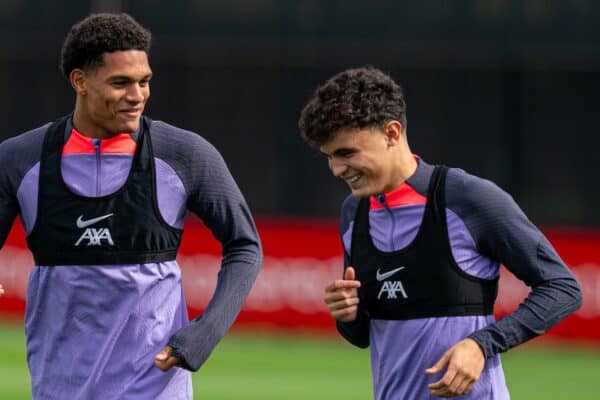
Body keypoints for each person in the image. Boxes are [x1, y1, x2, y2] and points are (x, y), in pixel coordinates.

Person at [0, 13, 262, 399]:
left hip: (155, 387)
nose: (138, 95)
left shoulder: (185, 155)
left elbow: (245, 245)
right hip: (59, 388)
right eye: (120, 83)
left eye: (144, 81)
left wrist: (205, 332)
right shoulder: (19, 159)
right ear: (80, 81)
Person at [298, 66, 582, 399]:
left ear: (392, 133)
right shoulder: (353, 212)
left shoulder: (467, 198)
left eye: (346, 153)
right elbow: (363, 335)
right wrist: (348, 314)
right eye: (329, 157)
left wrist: (482, 345)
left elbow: (562, 288)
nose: (336, 169)